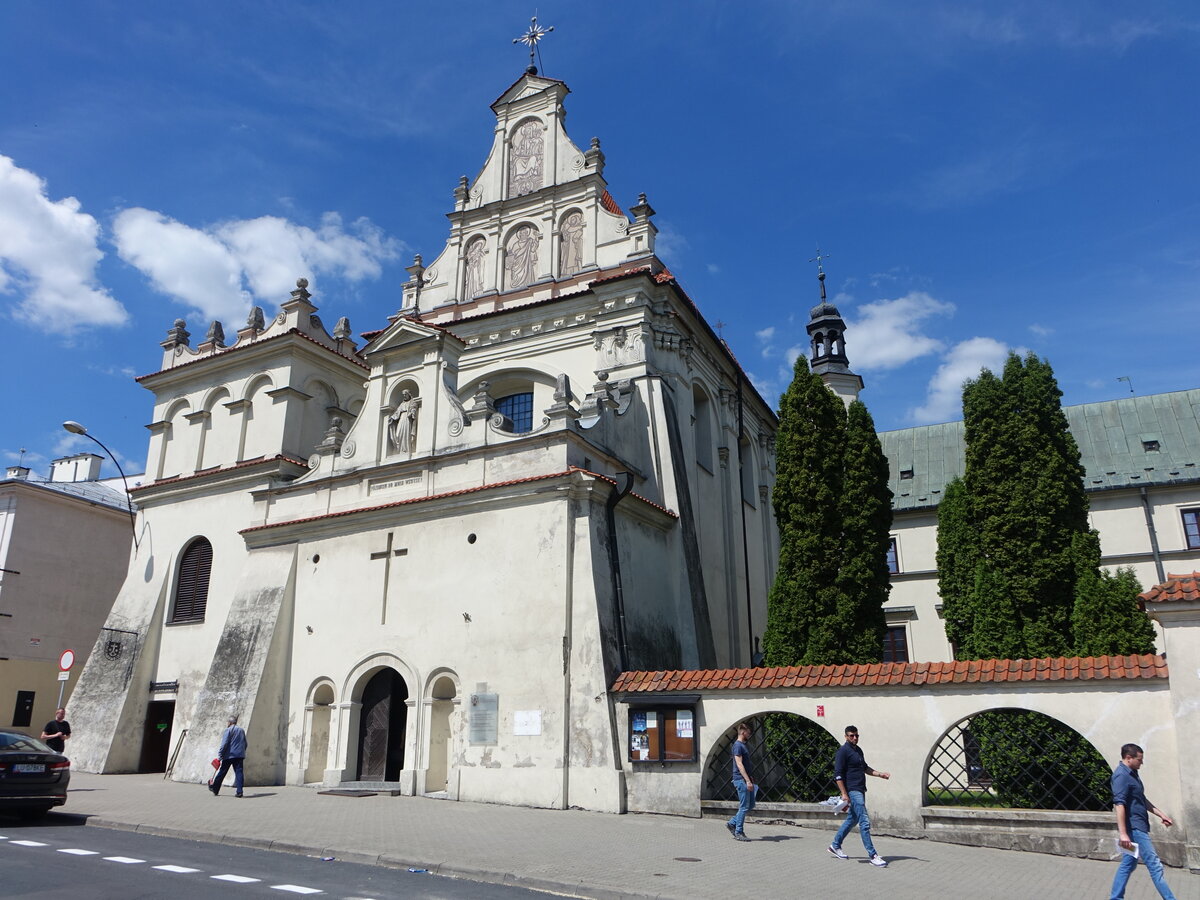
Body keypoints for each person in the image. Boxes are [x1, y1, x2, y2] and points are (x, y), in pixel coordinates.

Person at [1110, 743, 1176, 900]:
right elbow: (1119, 805)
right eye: (1139, 760)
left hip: (1137, 827)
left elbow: (1141, 799)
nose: (1142, 763)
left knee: (1128, 864)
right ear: (1128, 758)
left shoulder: (1133, 773)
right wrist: (1124, 834)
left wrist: (1161, 815)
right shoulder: (1121, 776)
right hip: (1134, 830)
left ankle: (1115, 898)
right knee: (1155, 866)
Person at [829, 725, 889, 867]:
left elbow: (865, 768)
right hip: (853, 790)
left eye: (856, 735)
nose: (855, 738)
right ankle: (873, 855)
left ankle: (835, 845)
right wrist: (844, 793)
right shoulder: (843, 752)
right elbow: (838, 775)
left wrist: (880, 774)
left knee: (852, 819)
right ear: (846, 736)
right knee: (864, 821)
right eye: (851, 736)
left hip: (861, 789)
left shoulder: (858, 751)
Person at [725, 721, 756, 841]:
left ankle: (732, 823)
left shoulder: (743, 745)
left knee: (751, 804)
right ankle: (739, 832)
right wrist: (747, 780)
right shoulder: (737, 746)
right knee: (743, 806)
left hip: (746, 779)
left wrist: (750, 778)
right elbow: (739, 764)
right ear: (743, 732)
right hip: (740, 780)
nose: (749, 735)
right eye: (748, 733)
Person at [210, 715, 248, 798]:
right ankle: (239, 791)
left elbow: (224, 744)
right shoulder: (241, 730)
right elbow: (245, 743)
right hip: (239, 756)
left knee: (222, 772)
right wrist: (242, 752)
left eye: (228, 722)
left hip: (229, 755)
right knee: (239, 773)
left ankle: (215, 789)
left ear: (230, 722)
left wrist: (220, 755)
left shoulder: (228, 730)